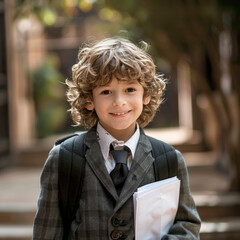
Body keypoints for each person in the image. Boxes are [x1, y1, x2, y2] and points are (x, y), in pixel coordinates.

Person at [33, 37, 201, 239]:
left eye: (130, 89)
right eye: (106, 91)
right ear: (89, 100)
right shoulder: (64, 159)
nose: (119, 102)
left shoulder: (169, 160)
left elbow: (187, 228)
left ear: (146, 94)